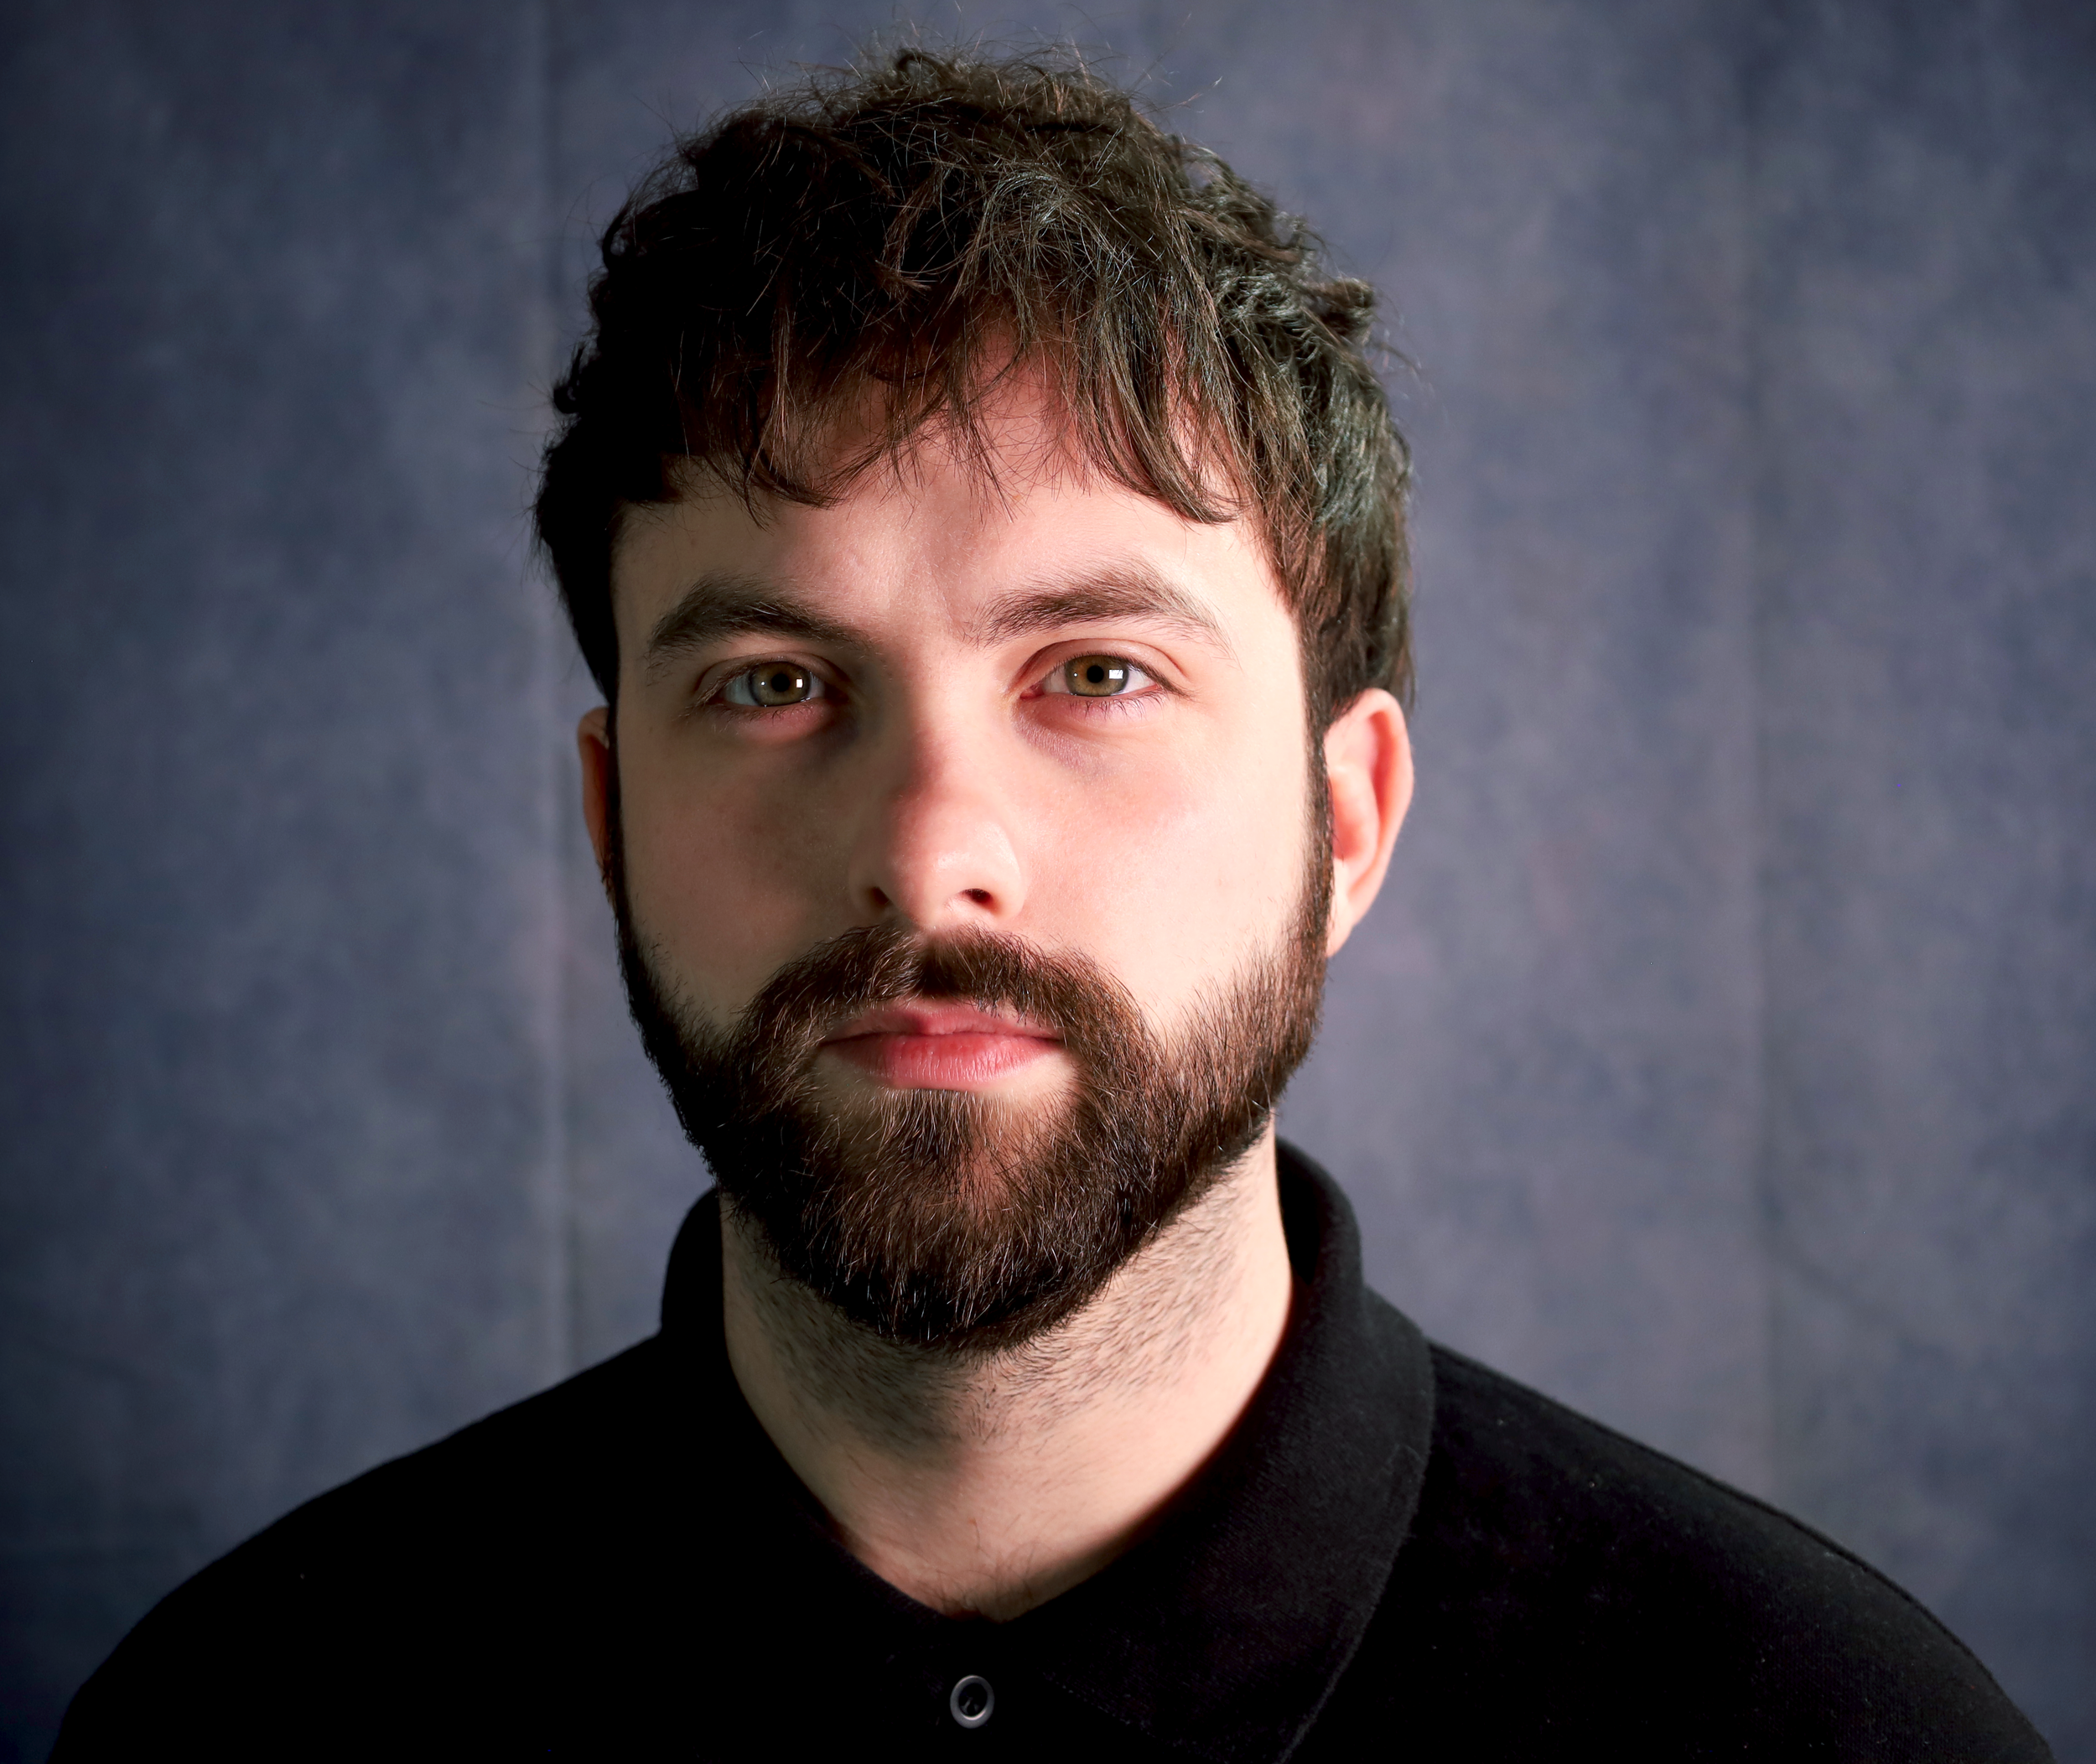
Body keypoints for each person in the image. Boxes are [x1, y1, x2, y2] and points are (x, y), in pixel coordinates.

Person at [56, 46, 2049, 1761]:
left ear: (1345, 817)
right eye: (772, 684)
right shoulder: (241, 1715)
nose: (931, 851)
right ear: (609, 817)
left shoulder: (1831, 1731)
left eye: (1094, 671)